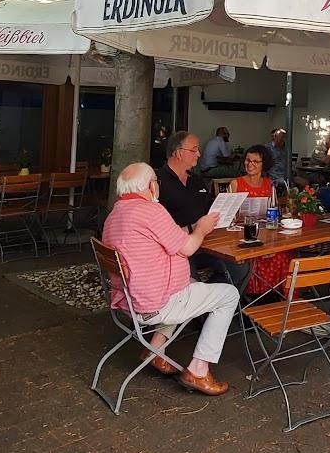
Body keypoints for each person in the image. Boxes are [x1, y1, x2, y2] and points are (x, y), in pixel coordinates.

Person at [102, 162, 238, 395]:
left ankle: (154, 350)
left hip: (130, 300)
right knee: (229, 294)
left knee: (192, 286)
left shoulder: (115, 215)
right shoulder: (151, 211)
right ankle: (198, 369)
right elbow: (189, 248)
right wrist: (201, 229)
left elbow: (165, 236)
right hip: (156, 303)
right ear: (151, 186)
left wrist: (192, 228)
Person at [157, 131, 249, 288]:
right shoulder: (157, 182)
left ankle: (210, 298)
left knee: (240, 269)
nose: (199, 154)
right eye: (194, 150)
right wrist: (193, 228)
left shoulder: (196, 180)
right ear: (179, 153)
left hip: (207, 244)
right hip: (176, 250)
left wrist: (226, 213)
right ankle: (203, 297)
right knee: (189, 283)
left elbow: (209, 208)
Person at [232, 146, 290, 295]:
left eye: (255, 161)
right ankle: (255, 293)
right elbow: (229, 216)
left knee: (283, 253)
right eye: (248, 160)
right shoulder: (236, 183)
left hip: (265, 234)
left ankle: (275, 293)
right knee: (257, 255)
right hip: (242, 236)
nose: (250, 164)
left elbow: (274, 210)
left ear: (264, 165)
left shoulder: (269, 184)